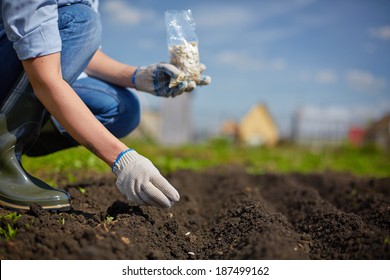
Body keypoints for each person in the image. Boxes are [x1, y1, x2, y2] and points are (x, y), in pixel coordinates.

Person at [0, 0, 210, 211]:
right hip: (30, 70)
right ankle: (3, 154)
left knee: (124, 109)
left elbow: (77, 47)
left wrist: (140, 77)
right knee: (81, 19)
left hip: (33, 70)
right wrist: (123, 159)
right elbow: (44, 79)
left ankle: (23, 137)